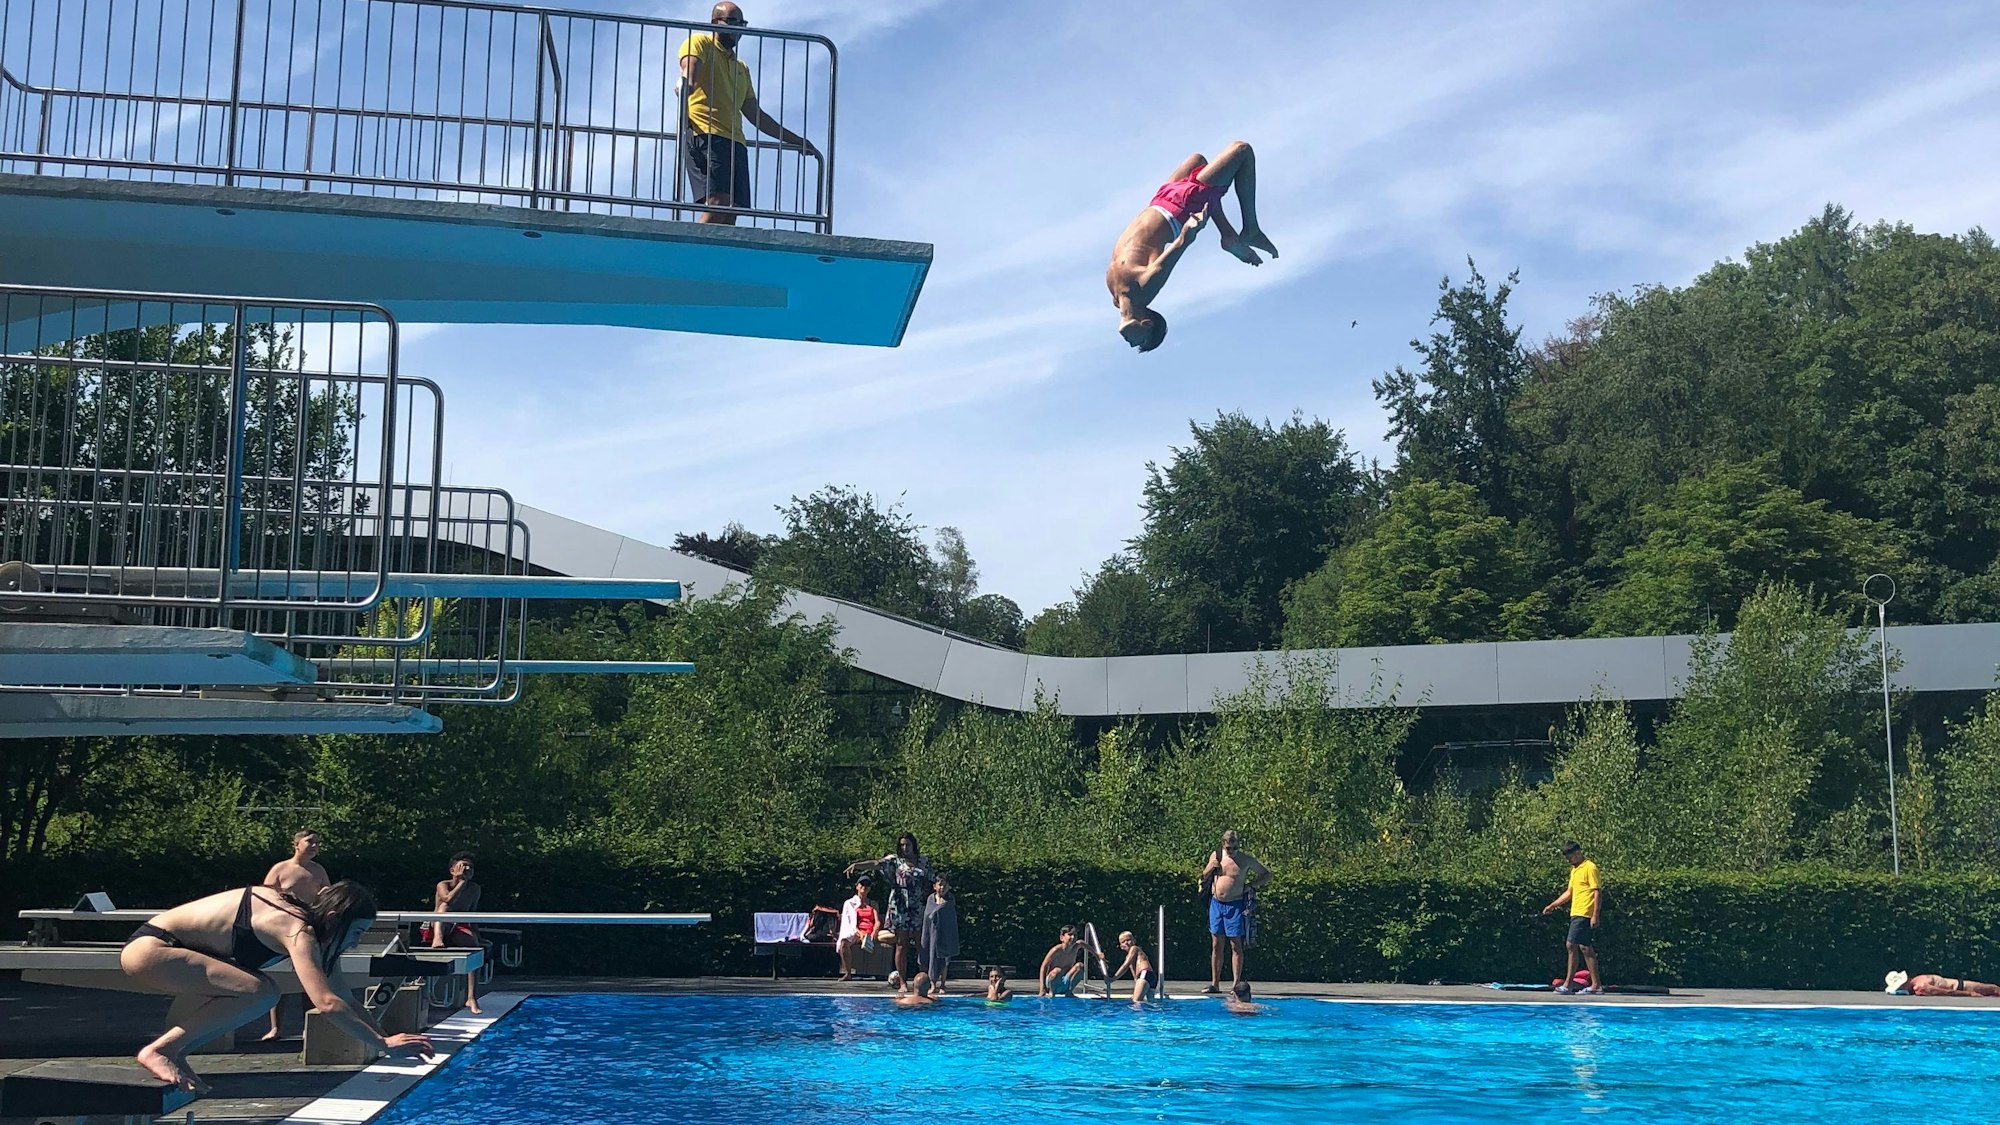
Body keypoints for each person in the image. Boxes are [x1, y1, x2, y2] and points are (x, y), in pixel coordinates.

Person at [120, 881, 432, 1092]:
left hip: (173, 955)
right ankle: (161, 1049)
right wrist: (384, 1045)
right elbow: (325, 1003)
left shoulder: (318, 935)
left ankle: (174, 1051)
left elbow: (344, 998)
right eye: (358, 931)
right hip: (153, 951)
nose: (358, 941)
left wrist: (385, 1037)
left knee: (256, 990)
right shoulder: (296, 927)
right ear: (335, 918)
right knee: (262, 992)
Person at [1106, 141, 1278, 352]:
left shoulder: (1117, 297)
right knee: (1242, 151)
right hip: (1181, 207)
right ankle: (1250, 230)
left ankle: (1228, 234)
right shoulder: (1144, 292)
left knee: (1197, 160)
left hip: (1159, 202)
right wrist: (1190, 230)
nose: (1132, 344)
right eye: (1139, 342)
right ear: (1147, 323)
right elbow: (1177, 248)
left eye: (1139, 343)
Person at [677, 2, 820, 224]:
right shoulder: (700, 42)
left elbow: (755, 115)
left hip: (736, 142)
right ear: (715, 23)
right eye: (732, 22)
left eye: (742, 23)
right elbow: (690, 72)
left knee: (732, 210)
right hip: (705, 134)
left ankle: (719, 258)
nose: (739, 28)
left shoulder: (741, 67)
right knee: (717, 203)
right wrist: (685, 84)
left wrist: (795, 140)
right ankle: (687, 254)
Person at [258, 828, 329, 1042]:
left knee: (309, 978)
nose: (315, 846)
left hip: (308, 929)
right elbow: (264, 897)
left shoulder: (318, 871)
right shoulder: (280, 869)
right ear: (296, 844)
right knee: (281, 979)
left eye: (317, 842)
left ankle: (308, 1027)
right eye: (310, 842)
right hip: (281, 930)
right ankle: (276, 1028)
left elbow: (327, 894)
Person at [845, 832, 933, 990]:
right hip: (899, 906)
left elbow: (932, 882)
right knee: (901, 944)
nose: (905, 848)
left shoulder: (924, 861)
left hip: (918, 905)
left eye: (907, 845)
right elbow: (876, 864)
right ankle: (903, 983)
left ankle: (925, 981)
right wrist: (857, 865)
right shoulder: (895, 861)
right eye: (902, 845)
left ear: (913, 845)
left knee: (922, 944)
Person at [1199, 829, 1269, 995]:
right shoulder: (1216, 856)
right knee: (1216, 944)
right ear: (1223, 845)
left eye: (1235, 848)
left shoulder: (1245, 860)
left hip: (1235, 904)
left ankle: (1236, 984)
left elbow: (1266, 874)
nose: (1232, 851)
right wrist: (1210, 868)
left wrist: (1251, 885)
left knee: (1235, 944)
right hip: (1217, 903)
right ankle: (1215, 983)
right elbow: (1203, 876)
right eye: (1229, 848)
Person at [1541, 841, 1604, 995]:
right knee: (1584, 947)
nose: (1568, 861)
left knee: (1571, 945)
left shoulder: (1590, 867)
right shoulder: (1575, 870)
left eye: (1570, 857)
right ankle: (1596, 985)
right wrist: (1553, 905)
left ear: (1577, 853)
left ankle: (1568, 985)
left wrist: (1595, 914)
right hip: (1576, 912)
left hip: (1585, 912)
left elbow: (1597, 892)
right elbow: (1569, 892)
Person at [428, 853, 483, 1015]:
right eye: (463, 866)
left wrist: (478, 936)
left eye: (470, 867)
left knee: (475, 948)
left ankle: (471, 997)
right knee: (444, 908)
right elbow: (448, 900)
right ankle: (438, 939)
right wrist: (461, 882)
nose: (467, 869)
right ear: (453, 870)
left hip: (459, 927)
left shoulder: (474, 889)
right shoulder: (443, 884)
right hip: (438, 927)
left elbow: (472, 915)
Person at [919, 873, 960, 996]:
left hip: (944, 933)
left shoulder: (950, 900)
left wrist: (937, 913)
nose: (942, 887)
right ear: (935, 886)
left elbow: (948, 916)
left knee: (944, 958)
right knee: (930, 956)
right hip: (931, 933)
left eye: (945, 885)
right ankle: (932, 984)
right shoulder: (930, 899)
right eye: (940, 885)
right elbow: (928, 915)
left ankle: (942, 984)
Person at [835, 875, 881, 981]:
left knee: (891, 938)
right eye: (862, 884)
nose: (864, 887)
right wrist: (860, 933)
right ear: (857, 886)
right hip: (856, 931)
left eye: (867, 885)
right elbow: (849, 923)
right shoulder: (849, 903)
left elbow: (877, 921)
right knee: (844, 942)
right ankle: (848, 973)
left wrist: (874, 931)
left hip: (870, 930)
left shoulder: (873, 904)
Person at [1037, 924, 1088, 997]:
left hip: (1066, 982)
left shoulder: (1076, 946)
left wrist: (1098, 955)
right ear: (1062, 938)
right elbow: (1043, 966)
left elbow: (1083, 943)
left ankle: (1069, 992)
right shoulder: (1056, 950)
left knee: (1080, 966)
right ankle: (1052, 993)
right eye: (1070, 935)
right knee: (1057, 970)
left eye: (1075, 935)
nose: (1073, 937)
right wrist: (1042, 989)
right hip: (1053, 983)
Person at [1112, 930, 1161, 1003]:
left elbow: (1125, 965)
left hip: (1145, 974)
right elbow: (1135, 977)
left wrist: (1112, 979)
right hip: (1150, 978)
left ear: (1134, 941)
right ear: (1121, 947)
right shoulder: (1129, 956)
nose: (1126, 942)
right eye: (1123, 941)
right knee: (1150, 1002)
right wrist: (1136, 991)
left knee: (1136, 1002)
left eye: (1128, 940)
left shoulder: (1134, 948)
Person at [1885, 970, 2000, 997]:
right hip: (1961, 986)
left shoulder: (1919, 981)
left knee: (1994, 989)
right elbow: (1946, 992)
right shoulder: (1920, 986)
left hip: (1960, 985)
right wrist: (1969, 994)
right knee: (1994, 989)